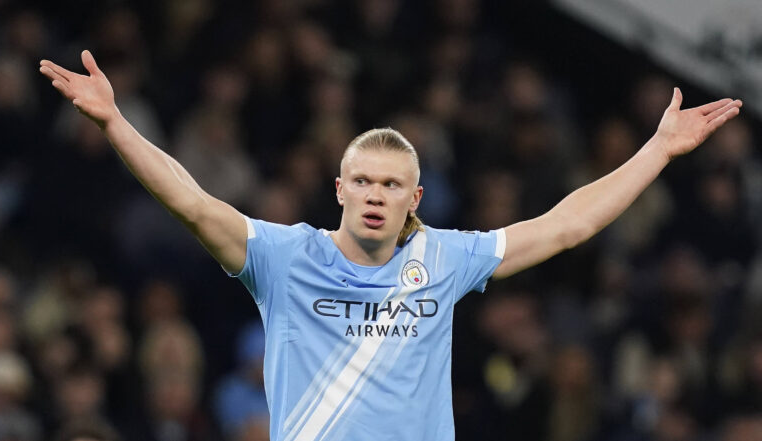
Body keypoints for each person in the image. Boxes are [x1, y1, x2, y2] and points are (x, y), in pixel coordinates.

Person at [38, 50, 742, 441]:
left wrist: (658, 150)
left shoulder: (447, 259)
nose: (376, 194)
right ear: (340, 188)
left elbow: (569, 224)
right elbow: (191, 201)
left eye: (392, 184)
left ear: (416, 198)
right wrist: (114, 124)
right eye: (364, 181)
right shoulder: (283, 258)